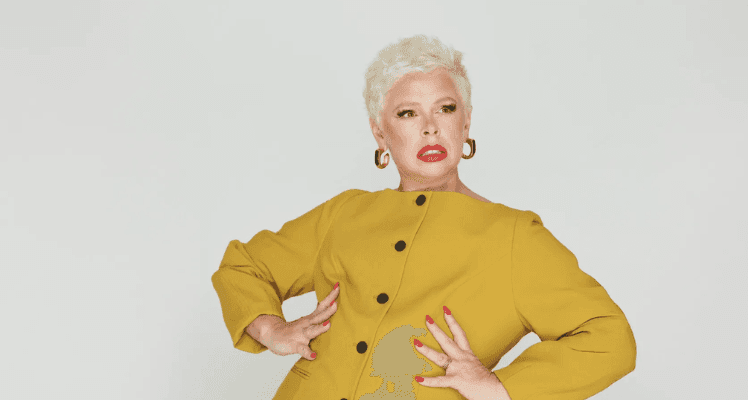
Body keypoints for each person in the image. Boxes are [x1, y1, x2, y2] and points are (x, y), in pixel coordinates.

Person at [211, 34, 637, 400]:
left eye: (446, 108)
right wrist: (271, 330)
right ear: (381, 133)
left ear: (465, 123)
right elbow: (244, 266)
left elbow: (608, 338)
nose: (430, 127)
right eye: (407, 113)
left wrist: (499, 388)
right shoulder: (345, 214)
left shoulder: (512, 236)